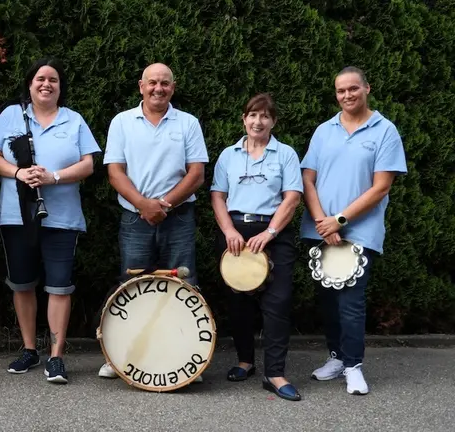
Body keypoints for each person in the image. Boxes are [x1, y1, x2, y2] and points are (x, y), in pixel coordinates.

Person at [0, 57, 100, 384]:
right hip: (16, 215)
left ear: (60, 87)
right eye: (40, 78)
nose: (46, 84)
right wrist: (19, 172)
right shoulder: (10, 116)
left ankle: (56, 356)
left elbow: (88, 164)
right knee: (22, 283)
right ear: (30, 83)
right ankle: (28, 349)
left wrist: (54, 177)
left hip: (61, 217)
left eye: (53, 79)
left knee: (59, 286)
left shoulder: (73, 120)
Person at [301, 66, 407, 395]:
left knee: (350, 301)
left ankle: (353, 366)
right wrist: (323, 221)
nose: (347, 95)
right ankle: (336, 357)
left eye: (353, 89)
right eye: (341, 91)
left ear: (367, 89)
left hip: (359, 233)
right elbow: (307, 178)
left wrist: (340, 221)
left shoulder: (384, 130)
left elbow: (380, 188)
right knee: (329, 300)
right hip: (320, 231)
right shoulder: (324, 130)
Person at [99, 62, 209, 379]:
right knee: (131, 286)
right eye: (152, 83)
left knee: (184, 287)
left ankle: (191, 358)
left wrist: (163, 205)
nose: (158, 88)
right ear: (141, 86)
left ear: (172, 88)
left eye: (164, 83)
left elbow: (197, 174)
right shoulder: (122, 122)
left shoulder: (187, 123)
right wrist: (144, 205)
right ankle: (120, 356)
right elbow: (115, 172)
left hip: (179, 217)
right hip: (135, 218)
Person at [209, 93, 303, 401]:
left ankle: (274, 373)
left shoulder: (285, 154)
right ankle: (244, 361)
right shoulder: (228, 155)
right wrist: (228, 230)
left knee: (277, 304)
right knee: (239, 304)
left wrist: (271, 232)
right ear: (244, 119)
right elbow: (218, 197)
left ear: (273, 121)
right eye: (252, 115)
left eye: (264, 116)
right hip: (235, 232)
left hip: (274, 232)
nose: (258, 121)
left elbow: (292, 198)